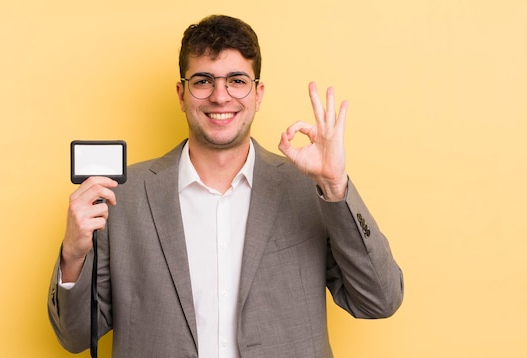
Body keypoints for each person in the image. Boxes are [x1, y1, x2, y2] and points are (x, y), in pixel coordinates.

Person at [48, 14, 404, 358]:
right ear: (181, 94)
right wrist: (73, 254)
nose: (220, 96)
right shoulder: (121, 197)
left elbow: (378, 300)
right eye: (203, 81)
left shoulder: (309, 190)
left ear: (258, 94)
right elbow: (76, 336)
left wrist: (335, 186)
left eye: (237, 80)